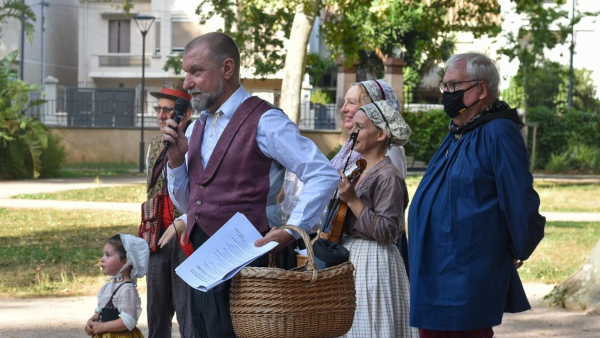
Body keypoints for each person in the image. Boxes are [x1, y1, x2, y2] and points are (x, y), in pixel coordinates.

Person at [162, 32, 339, 338]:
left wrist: (290, 229)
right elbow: (189, 202)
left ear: (227, 69)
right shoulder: (197, 126)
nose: (187, 82)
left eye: (196, 71)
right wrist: (176, 162)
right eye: (186, 72)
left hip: (253, 265)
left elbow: (323, 173)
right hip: (204, 265)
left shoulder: (266, 120)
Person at [408, 52, 546, 338]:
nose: (447, 94)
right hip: (433, 269)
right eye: (444, 87)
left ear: (481, 89)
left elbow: (519, 198)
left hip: (466, 271)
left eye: (454, 86)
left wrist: (520, 245)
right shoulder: (458, 132)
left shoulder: (498, 131)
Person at [336, 100, 418, 337]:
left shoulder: (389, 176)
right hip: (352, 260)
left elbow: (388, 231)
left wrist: (352, 200)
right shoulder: (357, 170)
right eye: (354, 126)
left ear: (381, 134)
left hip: (375, 262)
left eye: (360, 127)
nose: (353, 131)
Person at [144, 80, 194, 338]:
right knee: (156, 313)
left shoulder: (197, 141)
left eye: (168, 109)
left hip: (187, 237)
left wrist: (186, 219)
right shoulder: (153, 145)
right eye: (158, 109)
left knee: (188, 312)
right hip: (157, 239)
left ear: (185, 113)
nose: (161, 115)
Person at [85, 234, 149, 338]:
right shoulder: (107, 287)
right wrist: (92, 320)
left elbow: (128, 321)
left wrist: (103, 326)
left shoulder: (126, 289)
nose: (102, 259)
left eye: (108, 255)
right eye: (103, 254)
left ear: (125, 261)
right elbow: (102, 312)